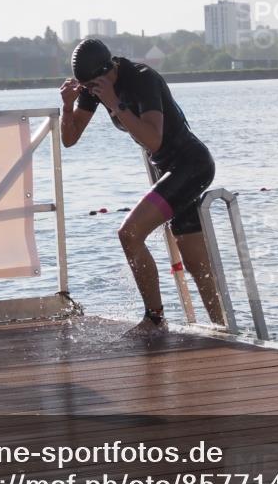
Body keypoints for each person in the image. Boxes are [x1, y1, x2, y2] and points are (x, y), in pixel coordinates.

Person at [59, 39, 225, 334]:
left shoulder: (142, 79)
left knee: (130, 233)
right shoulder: (96, 87)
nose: (92, 92)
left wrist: (115, 103)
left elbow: (154, 140)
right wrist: (68, 106)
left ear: (110, 69)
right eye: (87, 87)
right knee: (194, 261)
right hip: (170, 171)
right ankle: (223, 327)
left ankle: (155, 319)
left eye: (95, 85)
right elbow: (69, 139)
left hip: (191, 164)